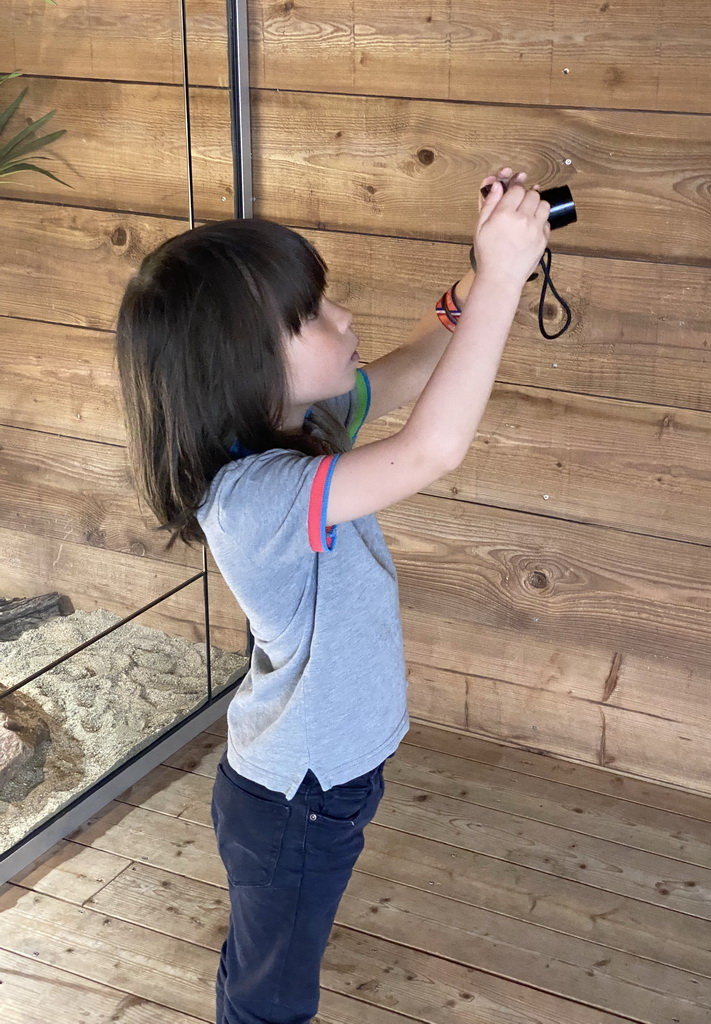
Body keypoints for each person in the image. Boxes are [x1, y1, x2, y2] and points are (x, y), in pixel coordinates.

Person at [114, 166, 550, 1024]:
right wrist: (502, 279)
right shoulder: (255, 496)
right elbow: (431, 451)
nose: (342, 318)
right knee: (268, 998)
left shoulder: (300, 426)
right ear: (238, 361)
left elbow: (419, 365)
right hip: (295, 801)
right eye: (310, 314)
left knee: (267, 964)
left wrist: (483, 271)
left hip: (320, 782)